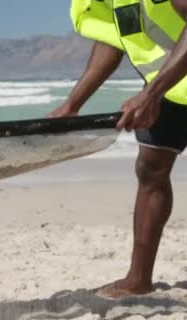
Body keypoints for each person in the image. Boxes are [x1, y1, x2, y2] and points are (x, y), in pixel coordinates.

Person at [49, 0, 187, 299]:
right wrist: (73, 104)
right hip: (172, 87)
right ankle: (138, 280)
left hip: (162, 87)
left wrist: (150, 94)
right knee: (151, 171)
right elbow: (112, 41)